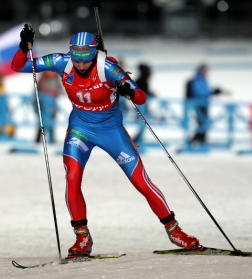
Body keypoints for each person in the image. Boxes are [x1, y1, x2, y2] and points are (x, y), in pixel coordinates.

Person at [11, 24, 200, 258]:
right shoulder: (61, 61)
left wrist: (127, 90)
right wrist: (23, 47)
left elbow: (141, 97)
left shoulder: (108, 68)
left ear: (94, 55)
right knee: (72, 178)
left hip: (111, 131)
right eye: (77, 61)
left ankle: (175, 230)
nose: (80, 66)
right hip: (80, 129)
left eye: (86, 61)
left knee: (141, 181)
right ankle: (82, 238)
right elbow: (18, 67)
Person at [186, 63, 222, 146]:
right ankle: (197, 140)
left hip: (204, 104)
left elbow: (205, 91)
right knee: (201, 122)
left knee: (204, 122)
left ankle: (200, 139)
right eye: (205, 70)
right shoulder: (197, 80)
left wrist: (213, 92)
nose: (207, 72)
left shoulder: (204, 80)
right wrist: (212, 92)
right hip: (199, 105)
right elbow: (200, 93)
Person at [35, 70, 61, 143]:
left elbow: (60, 90)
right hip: (43, 105)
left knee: (51, 123)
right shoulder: (42, 80)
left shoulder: (56, 80)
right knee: (42, 123)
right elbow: (36, 92)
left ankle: (52, 140)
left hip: (52, 106)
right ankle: (38, 140)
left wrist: (56, 92)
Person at [132, 63, 156, 144]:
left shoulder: (140, 80)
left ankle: (138, 138)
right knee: (143, 122)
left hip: (140, 105)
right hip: (141, 105)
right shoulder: (142, 80)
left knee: (143, 122)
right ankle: (137, 139)